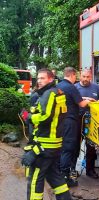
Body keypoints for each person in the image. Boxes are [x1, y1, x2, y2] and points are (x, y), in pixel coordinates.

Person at [21, 68, 71, 200]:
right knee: (54, 177)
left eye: (42, 78)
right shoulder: (58, 93)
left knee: (35, 179)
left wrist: (29, 117)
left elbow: (45, 116)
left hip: (44, 146)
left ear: (50, 79)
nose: (39, 81)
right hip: (54, 145)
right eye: (38, 78)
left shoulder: (49, 94)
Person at [56, 67, 92, 187]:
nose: (75, 78)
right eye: (75, 76)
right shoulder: (72, 87)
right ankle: (65, 178)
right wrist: (89, 101)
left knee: (61, 148)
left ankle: (58, 173)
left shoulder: (58, 86)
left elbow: (70, 100)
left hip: (59, 122)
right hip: (70, 122)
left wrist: (85, 98)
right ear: (72, 75)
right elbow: (81, 103)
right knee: (68, 148)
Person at [75, 69, 99, 179]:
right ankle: (73, 170)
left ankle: (90, 170)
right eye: (84, 76)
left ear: (91, 77)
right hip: (78, 121)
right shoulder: (75, 88)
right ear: (80, 76)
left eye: (88, 77)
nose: (85, 79)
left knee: (91, 147)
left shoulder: (96, 87)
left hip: (92, 122)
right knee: (75, 146)